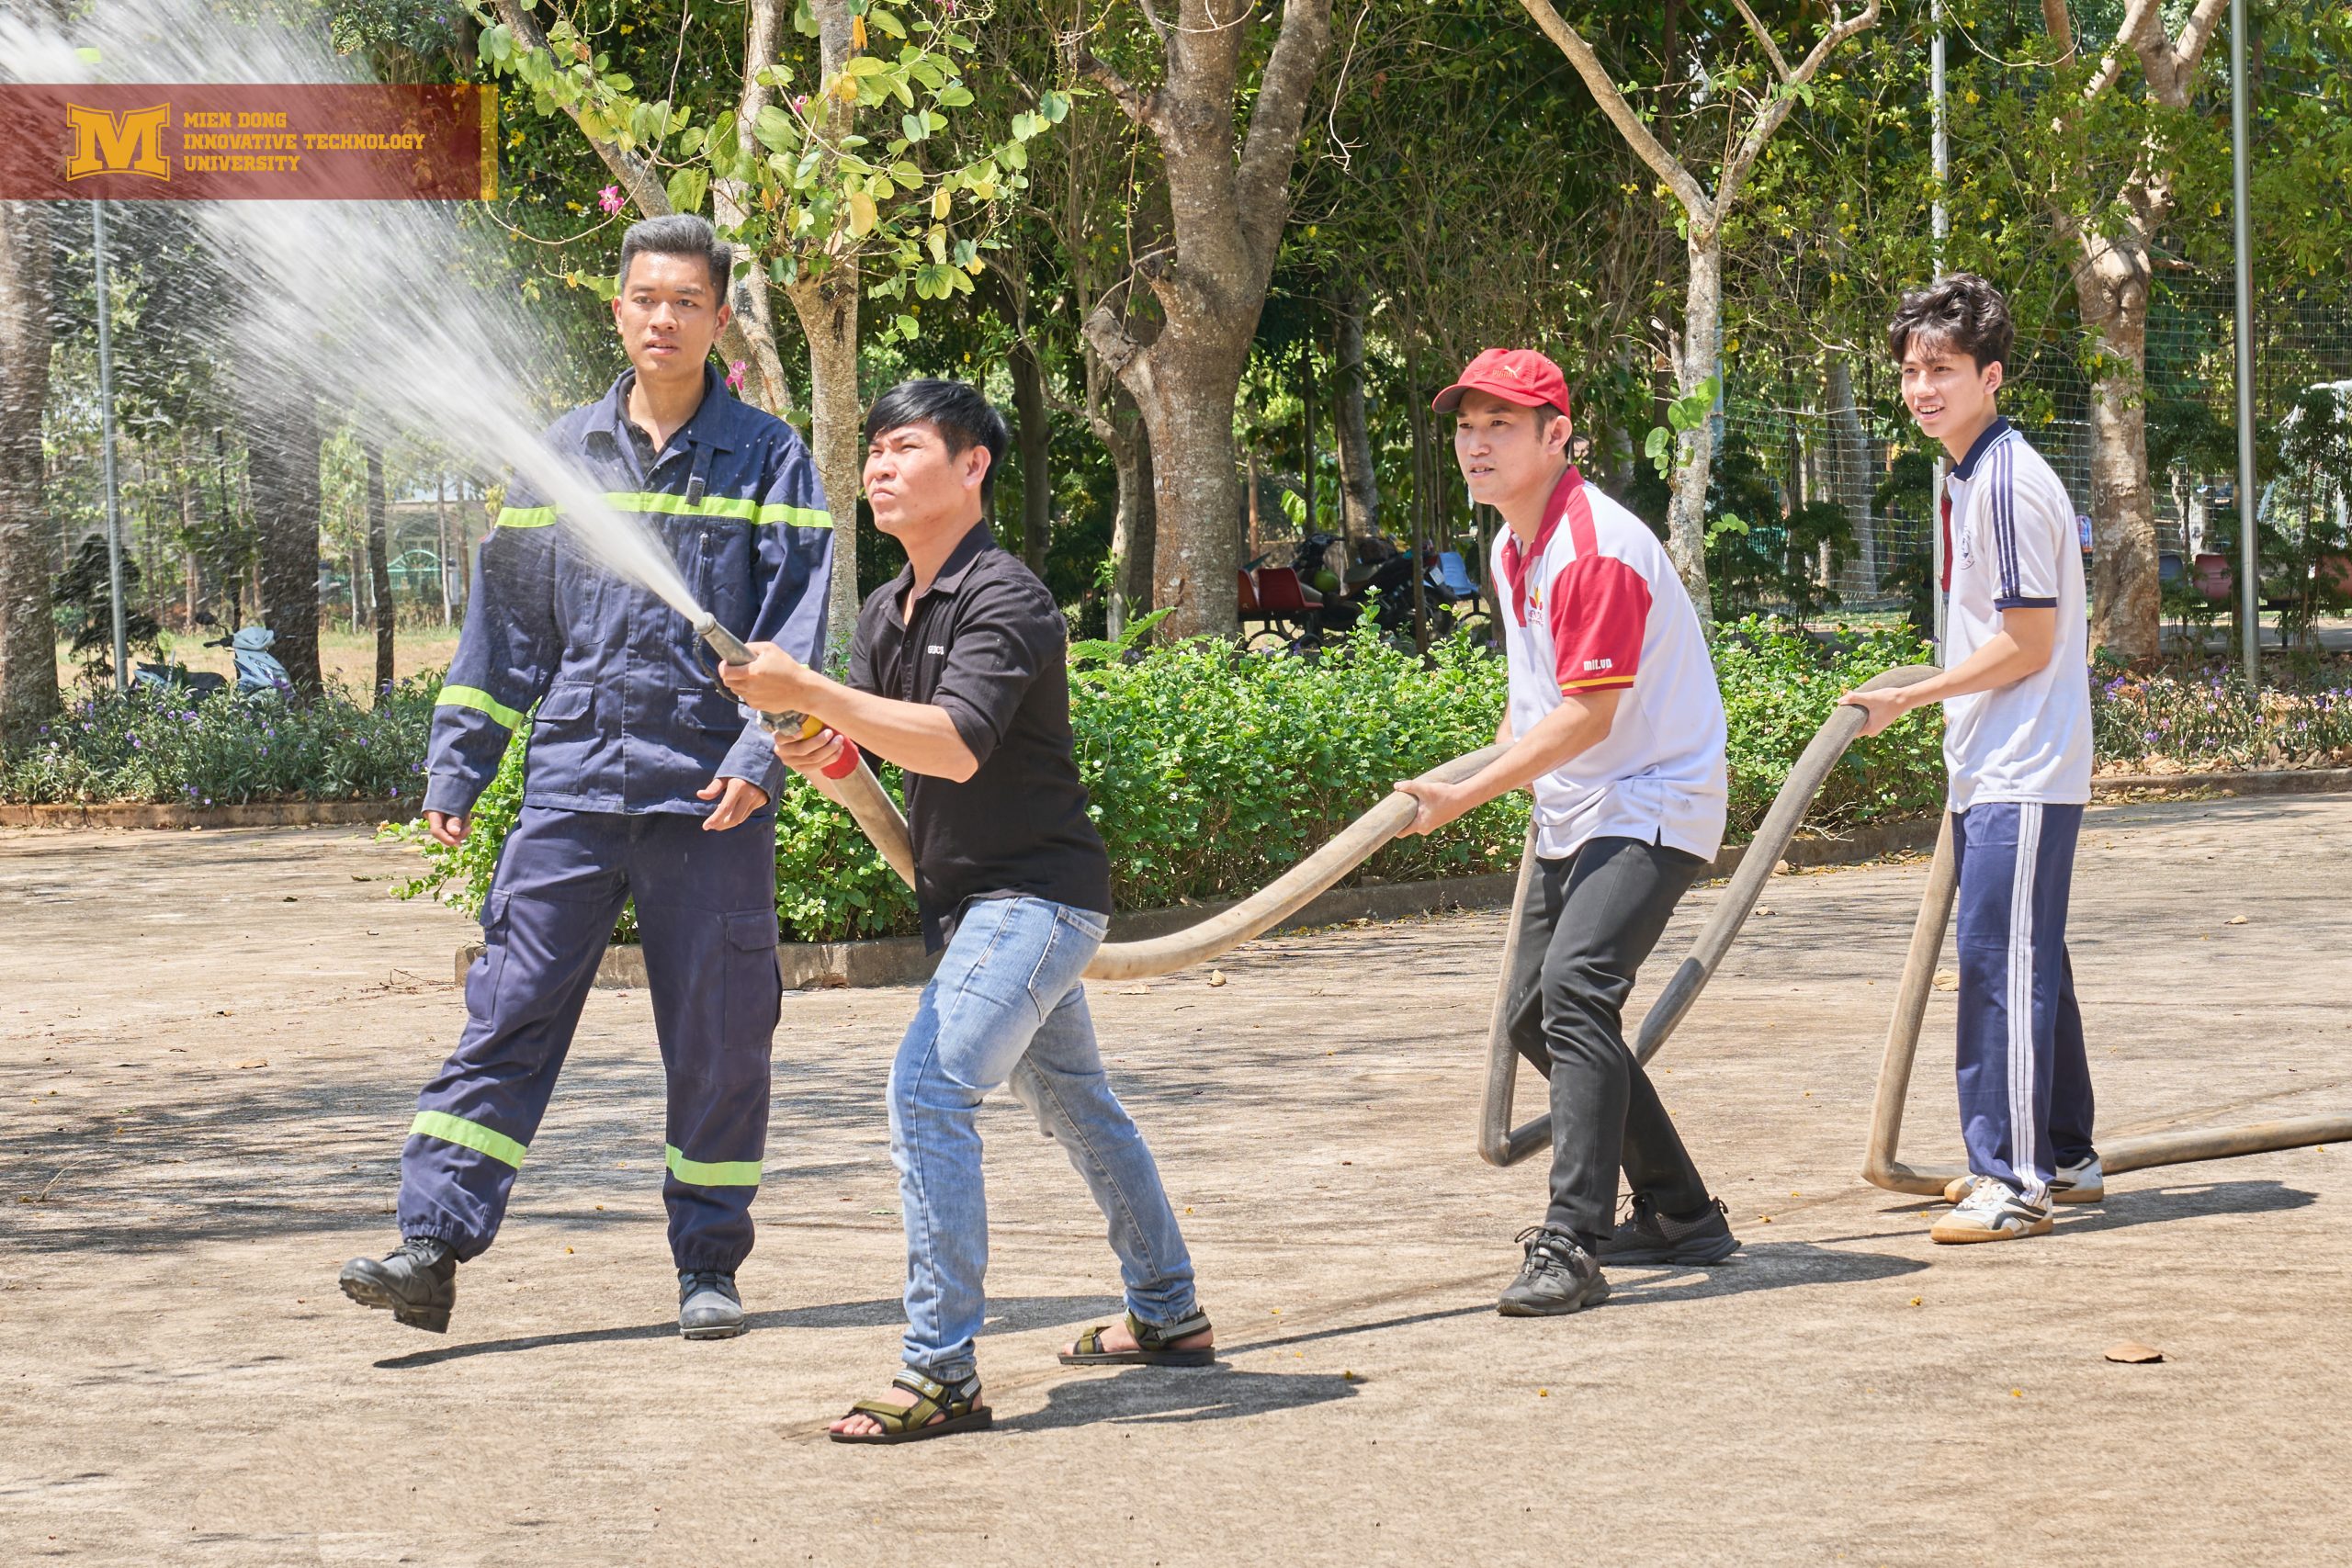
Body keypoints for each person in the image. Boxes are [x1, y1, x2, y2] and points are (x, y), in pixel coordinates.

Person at [338, 215, 833, 1336]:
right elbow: (504, 629)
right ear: (616, 310)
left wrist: (762, 756)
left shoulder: (771, 459)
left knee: (718, 1036)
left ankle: (708, 1266)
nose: (663, 317)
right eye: (644, 297)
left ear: (718, 321)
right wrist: (457, 769)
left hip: (709, 798)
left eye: (686, 302)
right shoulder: (558, 456)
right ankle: (430, 1245)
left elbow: (801, 624)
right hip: (572, 786)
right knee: (505, 1011)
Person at [720, 379, 1209, 1443]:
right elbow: (876, 749)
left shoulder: (1008, 599)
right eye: (874, 453)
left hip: (1035, 901)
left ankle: (940, 1372)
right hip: (966, 903)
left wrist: (810, 695)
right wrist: (818, 743)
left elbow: (951, 741)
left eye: (903, 449)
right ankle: (1169, 1313)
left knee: (925, 1093)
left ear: (973, 464)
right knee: (1081, 1108)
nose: (879, 469)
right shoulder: (885, 613)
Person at [1394, 348, 1739, 1316]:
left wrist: (1467, 798)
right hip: (1581, 800)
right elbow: (1537, 707)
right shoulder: (1514, 546)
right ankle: (1681, 1216)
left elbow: (1588, 714)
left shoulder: (1593, 547)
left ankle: (1573, 1240)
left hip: (1654, 797)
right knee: (1535, 1016)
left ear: (1558, 437)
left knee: (1576, 991)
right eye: (1466, 427)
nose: (1477, 444)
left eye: (1501, 425)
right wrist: (1480, 766)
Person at [1841, 274, 2100, 1244]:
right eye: (1911, 369)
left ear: (1990, 375)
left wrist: (1911, 695)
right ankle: (2066, 1156)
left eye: (1942, 369)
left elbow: (2029, 643)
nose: (1921, 387)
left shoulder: (2002, 480)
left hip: (2022, 767)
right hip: (1997, 762)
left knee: (2000, 968)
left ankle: (2014, 1179)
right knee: (2028, 958)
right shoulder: (1964, 473)